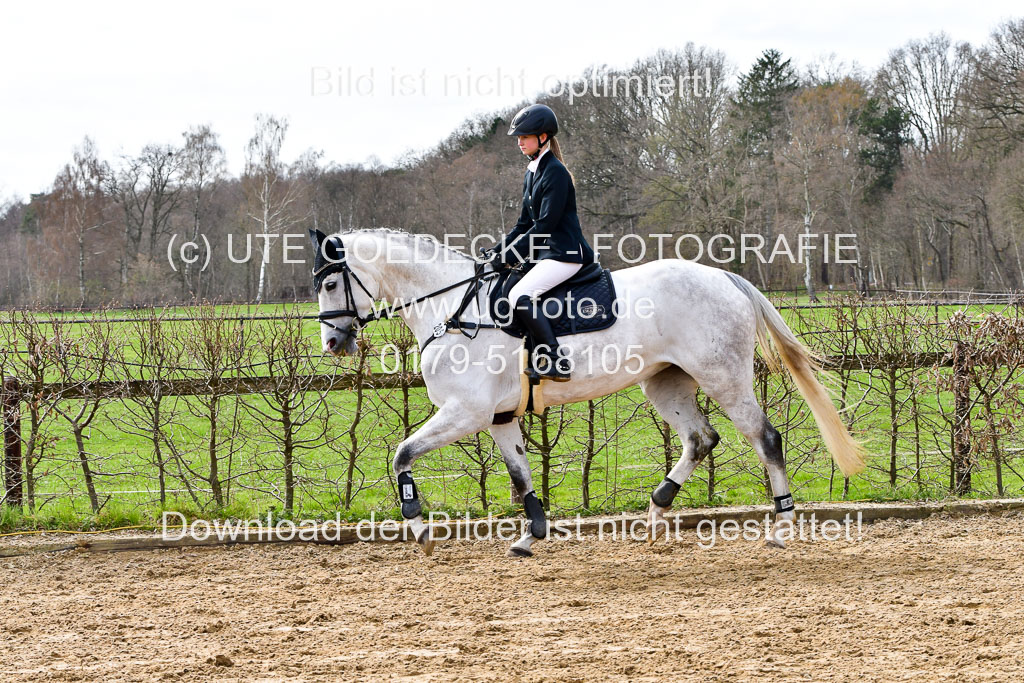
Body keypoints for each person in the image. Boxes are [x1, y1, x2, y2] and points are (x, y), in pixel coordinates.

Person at [484, 103, 596, 382]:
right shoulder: (533, 171)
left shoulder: (555, 172)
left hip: (566, 253)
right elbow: (523, 224)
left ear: (543, 137)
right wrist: (498, 251)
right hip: (548, 253)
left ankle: (557, 360)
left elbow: (544, 225)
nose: (520, 142)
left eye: (525, 137)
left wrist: (511, 255)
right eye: (519, 138)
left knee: (519, 296)